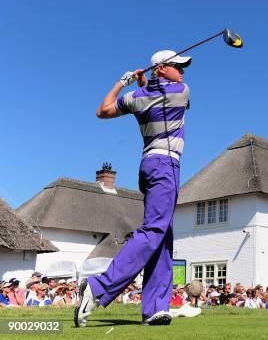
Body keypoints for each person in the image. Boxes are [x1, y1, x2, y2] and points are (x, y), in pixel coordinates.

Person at [75, 50, 193, 327]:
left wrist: (123, 82)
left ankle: (154, 309)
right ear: (162, 69)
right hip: (166, 165)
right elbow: (164, 95)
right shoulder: (181, 90)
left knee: (163, 237)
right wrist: (145, 84)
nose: (183, 73)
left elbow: (102, 111)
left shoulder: (137, 97)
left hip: (148, 164)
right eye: (178, 67)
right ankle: (98, 287)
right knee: (154, 231)